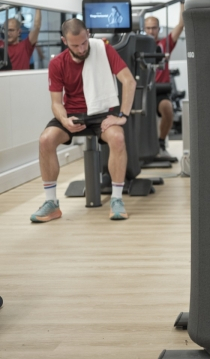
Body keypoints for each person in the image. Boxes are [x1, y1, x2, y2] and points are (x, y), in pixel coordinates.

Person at [31, 18, 136, 223]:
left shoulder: (103, 50)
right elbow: (56, 103)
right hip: (73, 114)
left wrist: (122, 115)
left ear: (88, 34)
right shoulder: (57, 63)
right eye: (75, 45)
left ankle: (116, 199)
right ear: (64, 41)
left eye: (84, 43)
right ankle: (51, 204)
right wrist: (64, 119)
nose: (81, 49)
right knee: (46, 140)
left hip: (101, 111)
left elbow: (129, 81)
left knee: (117, 138)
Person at [144, 0, 186, 157]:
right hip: (143, 90)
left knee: (167, 109)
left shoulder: (165, 43)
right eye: (148, 28)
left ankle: (161, 142)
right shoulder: (137, 44)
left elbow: (181, 25)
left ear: (158, 29)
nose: (151, 31)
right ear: (144, 29)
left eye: (154, 28)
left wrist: (182, 1)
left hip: (160, 90)